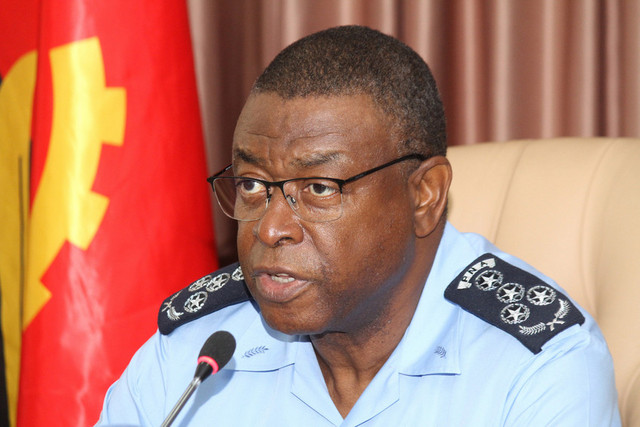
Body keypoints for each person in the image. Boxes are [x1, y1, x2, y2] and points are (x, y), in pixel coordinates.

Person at [97, 25, 621, 426]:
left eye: (319, 189)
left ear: (425, 194)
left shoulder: (537, 367)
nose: (270, 229)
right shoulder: (196, 355)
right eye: (253, 184)